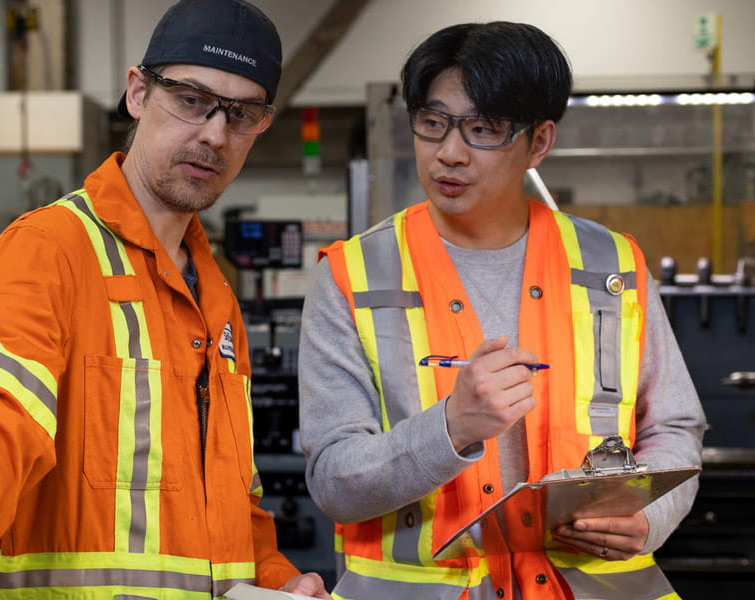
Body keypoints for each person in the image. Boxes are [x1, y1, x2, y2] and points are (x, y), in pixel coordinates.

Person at [0, 1, 331, 598]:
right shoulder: (51, 247)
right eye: (192, 99)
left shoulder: (216, 295)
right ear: (138, 94)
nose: (215, 134)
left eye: (241, 114)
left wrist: (282, 582)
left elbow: (232, 506)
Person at [298, 22, 706, 600]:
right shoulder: (352, 277)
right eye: (433, 123)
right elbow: (335, 480)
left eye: (483, 130)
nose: (449, 152)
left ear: (539, 142)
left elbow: (672, 425)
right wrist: (452, 428)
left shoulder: (611, 266)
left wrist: (649, 519)